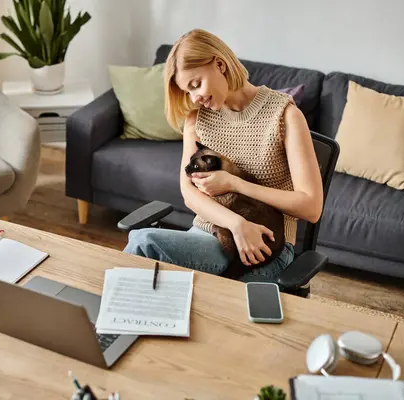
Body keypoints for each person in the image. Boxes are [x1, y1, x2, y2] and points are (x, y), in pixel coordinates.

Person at [123, 29, 323, 279]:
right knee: (153, 267)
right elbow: (189, 194)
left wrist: (235, 184)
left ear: (220, 65)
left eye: (196, 84)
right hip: (207, 237)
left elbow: (311, 206)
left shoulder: (284, 115)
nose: (195, 97)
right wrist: (235, 224)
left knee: (144, 242)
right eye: (187, 91)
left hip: (265, 246)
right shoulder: (197, 120)